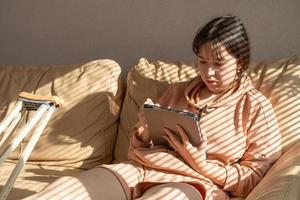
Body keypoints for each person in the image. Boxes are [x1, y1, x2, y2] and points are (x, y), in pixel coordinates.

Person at [26, 14, 281, 200]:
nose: (209, 72)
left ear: (240, 62)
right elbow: (138, 149)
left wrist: (202, 165)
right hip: (138, 170)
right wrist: (144, 134)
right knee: (60, 191)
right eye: (202, 62)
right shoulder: (176, 92)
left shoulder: (255, 108)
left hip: (194, 183)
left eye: (218, 64)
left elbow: (253, 178)